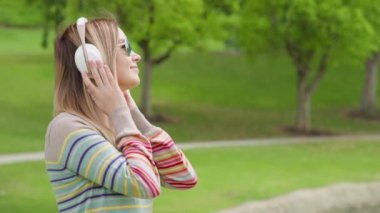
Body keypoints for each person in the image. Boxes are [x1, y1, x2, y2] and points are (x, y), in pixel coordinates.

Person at [44, 17, 198, 213]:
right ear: (92, 60)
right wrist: (121, 113)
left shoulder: (120, 128)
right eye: (126, 47)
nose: (137, 56)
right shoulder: (68, 128)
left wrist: (132, 113)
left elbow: (184, 178)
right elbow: (145, 184)